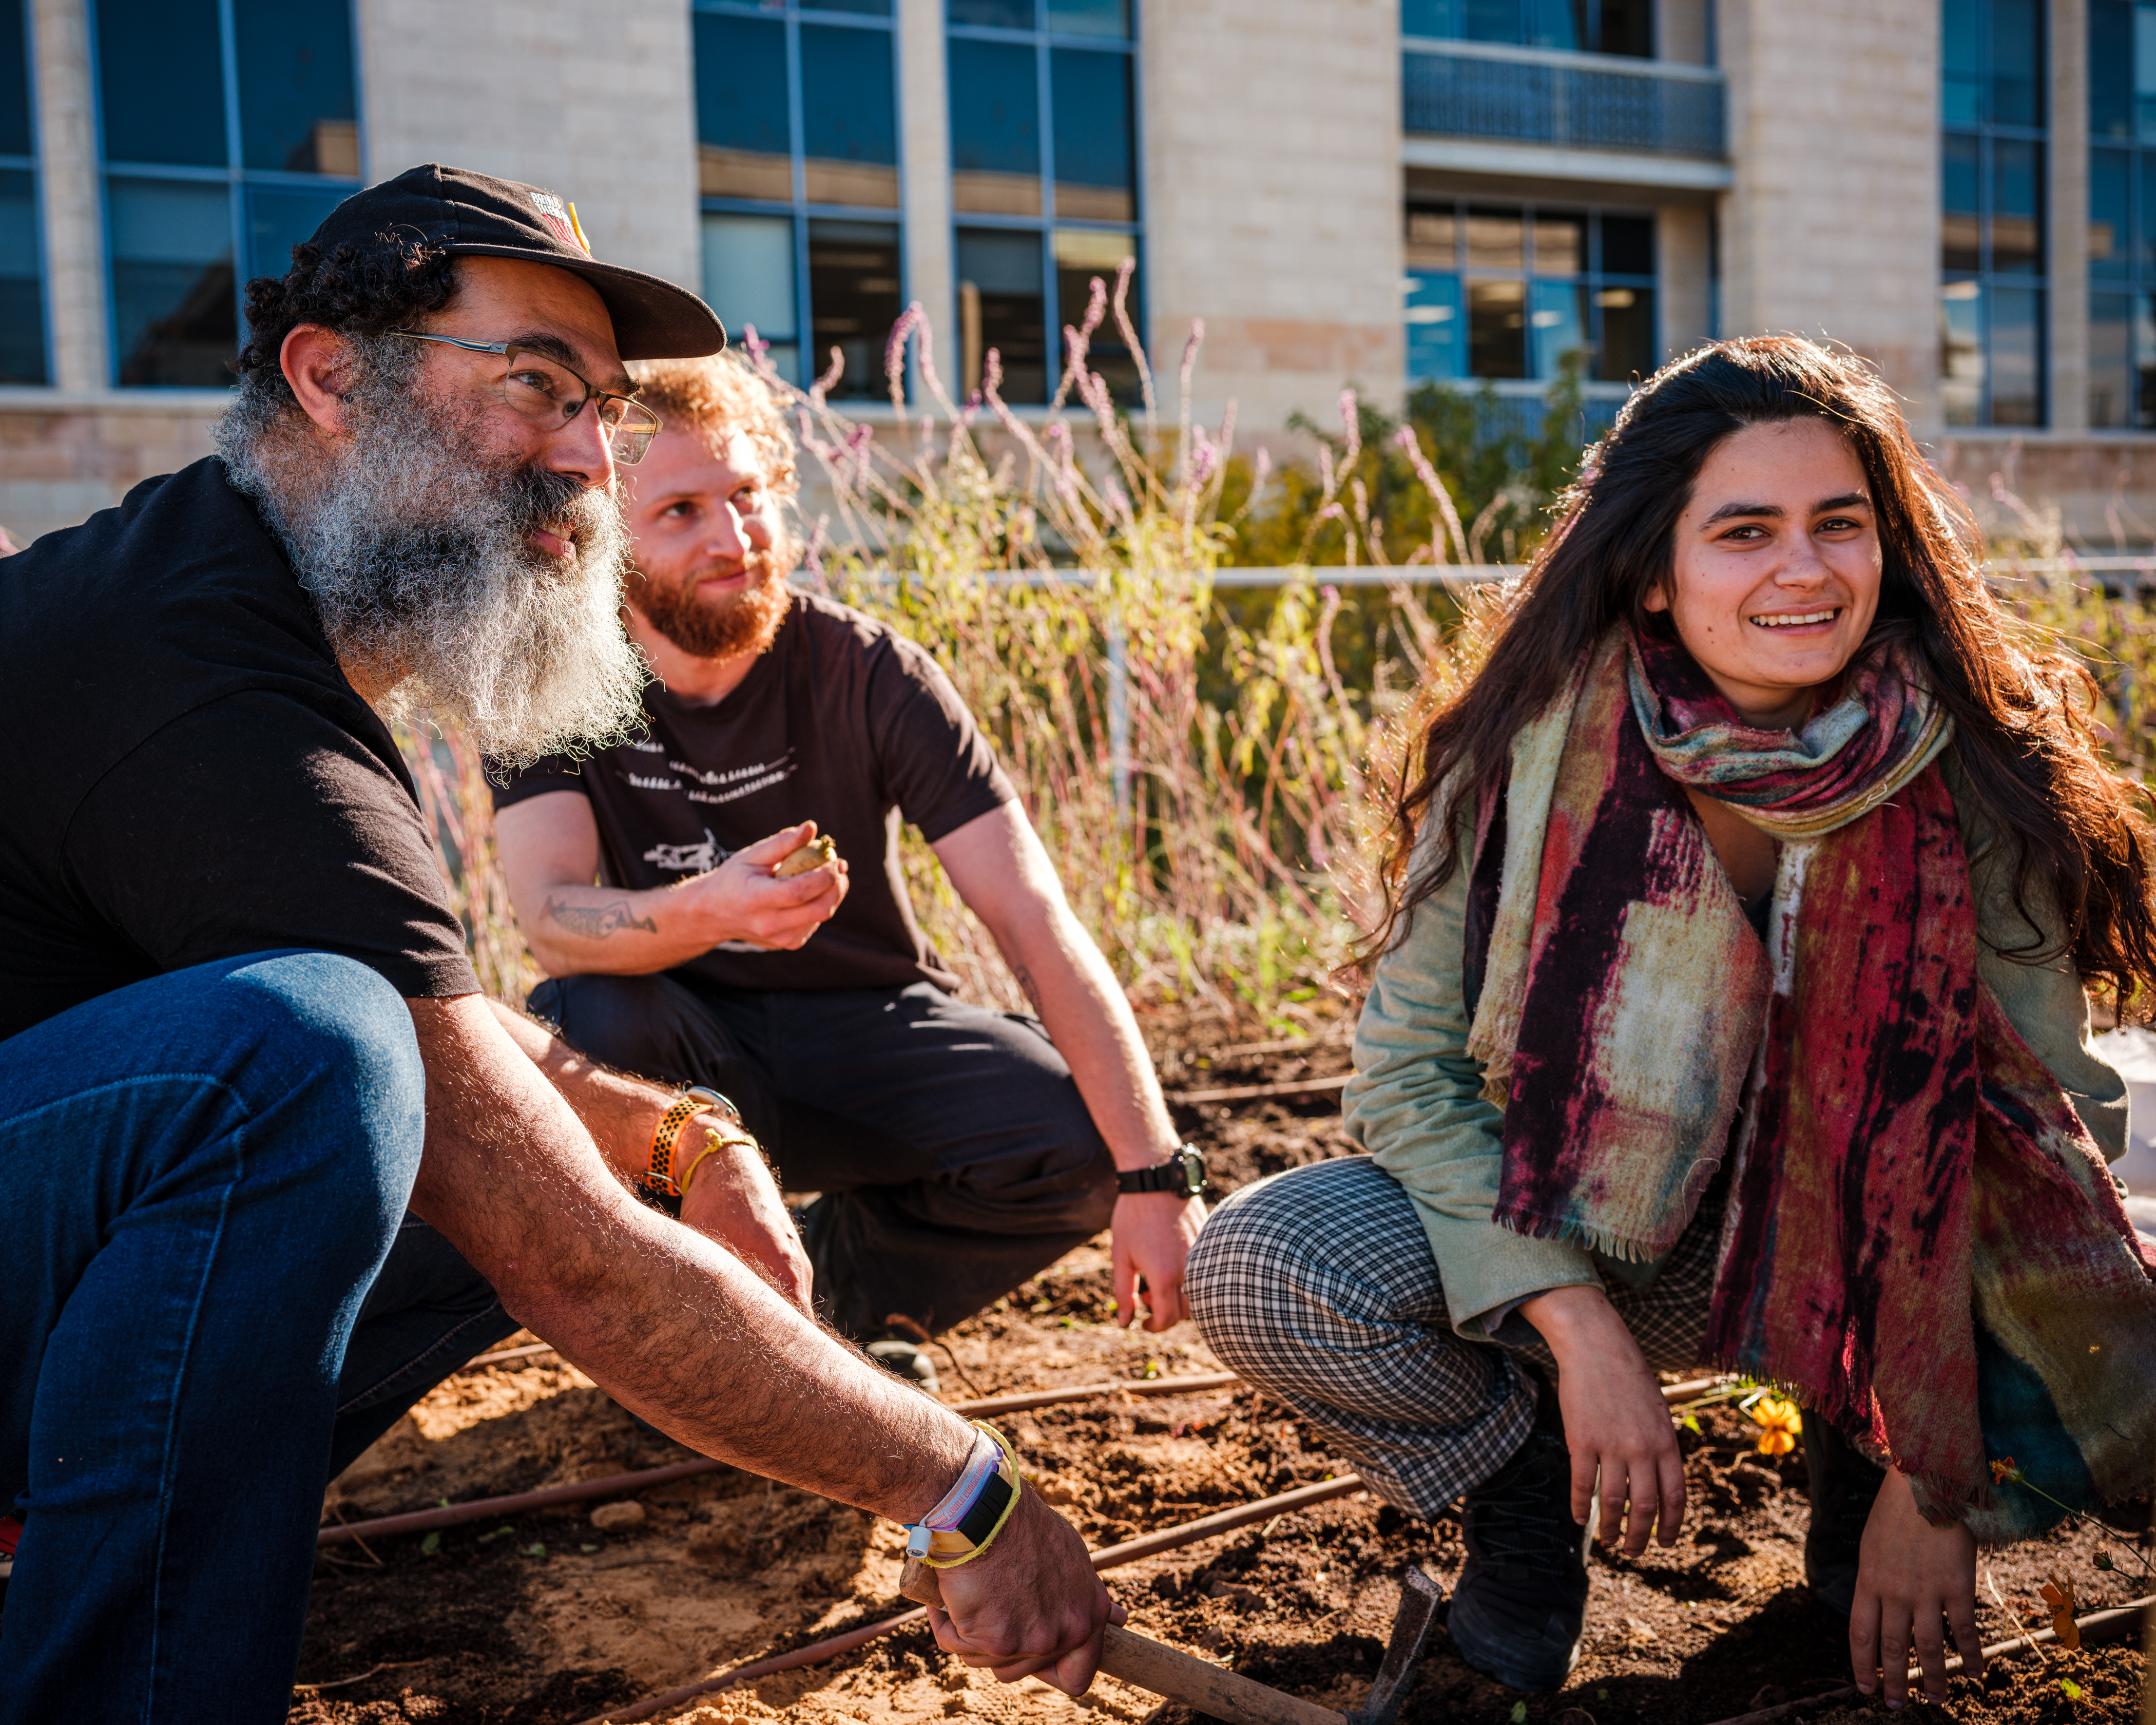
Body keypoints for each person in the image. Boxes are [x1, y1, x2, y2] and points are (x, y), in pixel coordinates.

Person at [0, 164, 1113, 1723]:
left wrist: (671, 1131)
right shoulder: (200, 680)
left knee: (414, 1094)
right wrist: (962, 1491)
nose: (589, 456)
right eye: (536, 386)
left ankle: (64, 1517)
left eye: (600, 404)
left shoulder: (244, 617)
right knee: (308, 1067)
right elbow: (562, 1249)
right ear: (330, 376)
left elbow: (449, 1037)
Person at [1186, 337, 2156, 1707]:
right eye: (1743, 533)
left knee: (2116, 1332)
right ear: (1656, 568)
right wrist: (1580, 1335)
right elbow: (1406, 1074)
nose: (1803, 571)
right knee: (1266, 1263)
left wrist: (1938, 1483)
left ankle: (1857, 1458)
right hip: (1600, 1225)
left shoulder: (1981, 766)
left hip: (1877, 1257)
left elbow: (2042, 1128)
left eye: (1839, 525)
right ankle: (1526, 1512)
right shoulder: (1525, 747)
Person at [487, 351, 1207, 1372]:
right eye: (681, 511)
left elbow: (1035, 920)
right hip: (686, 1050)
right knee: (586, 1021)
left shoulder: (871, 672)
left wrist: (1155, 1176)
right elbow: (553, 916)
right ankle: (684, 1342)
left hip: (866, 1028)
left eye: (747, 496)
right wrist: (717, 910)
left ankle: (840, 1312)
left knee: (1079, 1146)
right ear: (606, 540)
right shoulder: (550, 682)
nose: (734, 538)